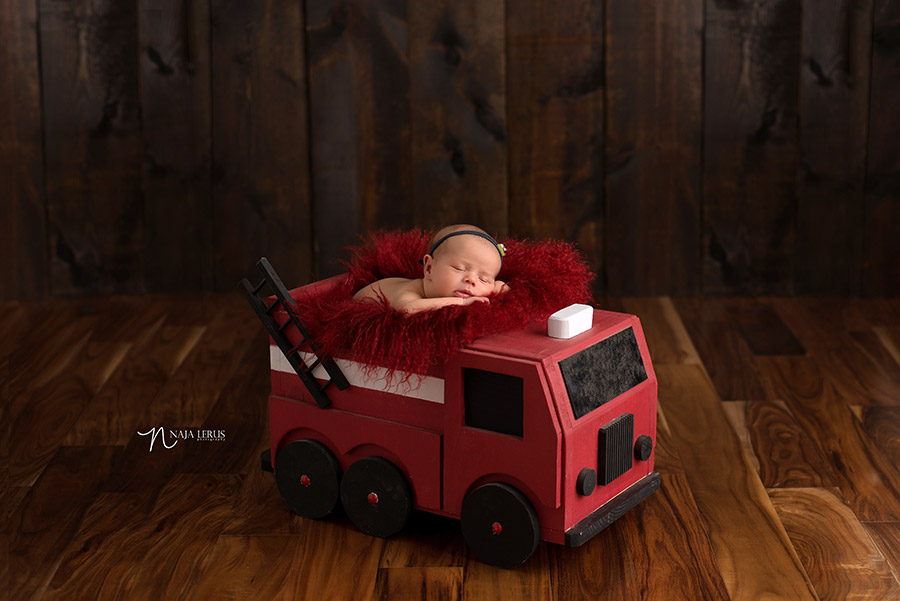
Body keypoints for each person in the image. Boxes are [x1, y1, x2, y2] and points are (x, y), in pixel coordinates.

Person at [353, 225, 510, 314]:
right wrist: (462, 303)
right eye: (459, 268)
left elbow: (499, 287)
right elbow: (407, 309)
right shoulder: (410, 292)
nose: (472, 280)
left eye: (484, 279)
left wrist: (498, 286)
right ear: (429, 268)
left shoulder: (478, 284)